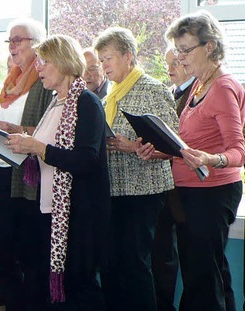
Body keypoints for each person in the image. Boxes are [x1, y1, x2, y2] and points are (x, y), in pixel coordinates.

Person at [140, 11, 245, 311]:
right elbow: (190, 145)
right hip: (190, 192)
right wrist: (158, 150)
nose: (180, 57)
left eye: (186, 50)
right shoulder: (200, 85)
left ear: (209, 47)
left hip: (211, 193)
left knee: (201, 279)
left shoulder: (223, 87)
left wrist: (212, 158)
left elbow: (238, 150)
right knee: (210, 274)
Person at [6, 34, 109, 310]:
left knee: (79, 286)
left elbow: (87, 160)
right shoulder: (54, 103)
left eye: (45, 61)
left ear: (64, 62)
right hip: (49, 208)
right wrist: (23, 144)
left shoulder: (87, 102)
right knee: (52, 288)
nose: (38, 67)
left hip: (79, 213)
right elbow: (46, 149)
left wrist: (40, 148)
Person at [93, 27, 178, 311]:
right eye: (101, 60)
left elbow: (176, 146)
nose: (103, 65)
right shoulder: (108, 97)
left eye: (108, 58)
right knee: (110, 264)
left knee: (134, 264)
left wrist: (132, 147)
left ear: (128, 56)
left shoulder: (153, 90)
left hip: (143, 192)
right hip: (112, 189)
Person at [0, 18, 53, 310]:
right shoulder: (10, 81)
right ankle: (14, 303)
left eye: (18, 40)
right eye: (9, 41)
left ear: (37, 44)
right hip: (3, 173)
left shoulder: (45, 82)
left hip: (29, 177)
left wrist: (17, 129)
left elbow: (51, 130)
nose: (12, 47)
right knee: (1, 248)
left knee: (30, 251)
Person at [151, 47, 194, 311]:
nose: (170, 69)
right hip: (168, 188)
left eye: (176, 62)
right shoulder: (170, 93)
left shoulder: (197, 93)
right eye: (168, 63)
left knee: (197, 265)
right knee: (161, 257)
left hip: (191, 188)